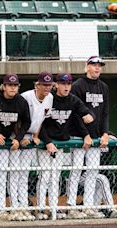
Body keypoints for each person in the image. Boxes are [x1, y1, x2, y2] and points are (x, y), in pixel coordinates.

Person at [37, 73, 93, 220]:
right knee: (45, 176)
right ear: (56, 85)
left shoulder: (73, 100)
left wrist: (87, 125)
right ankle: (41, 208)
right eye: (63, 83)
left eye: (68, 84)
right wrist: (47, 142)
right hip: (45, 143)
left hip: (60, 145)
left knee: (56, 177)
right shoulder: (49, 99)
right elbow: (39, 123)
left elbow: (84, 114)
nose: (66, 86)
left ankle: (54, 208)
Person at [0, 74, 31, 222]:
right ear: (4, 86)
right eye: (10, 85)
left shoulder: (21, 101)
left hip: (4, 146)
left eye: (15, 85)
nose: (12, 88)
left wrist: (18, 138)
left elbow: (27, 122)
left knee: (1, 178)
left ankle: (1, 210)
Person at [67, 56, 109, 219]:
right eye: (94, 65)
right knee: (76, 170)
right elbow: (75, 114)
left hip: (96, 138)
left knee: (93, 171)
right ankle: (71, 206)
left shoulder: (103, 87)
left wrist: (104, 133)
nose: (97, 68)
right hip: (79, 138)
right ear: (87, 67)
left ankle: (88, 205)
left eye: (99, 65)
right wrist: (84, 134)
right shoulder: (78, 85)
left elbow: (105, 113)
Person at [10, 72, 54, 221]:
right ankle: (14, 208)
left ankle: (23, 207)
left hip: (30, 138)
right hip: (16, 137)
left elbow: (42, 119)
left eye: (49, 85)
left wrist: (36, 135)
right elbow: (15, 119)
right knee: (15, 173)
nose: (47, 87)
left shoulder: (50, 98)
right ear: (37, 85)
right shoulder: (26, 97)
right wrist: (19, 137)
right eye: (44, 84)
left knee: (24, 174)